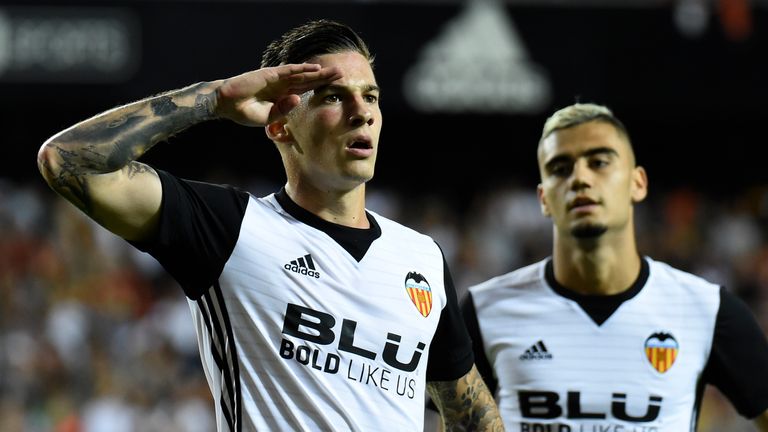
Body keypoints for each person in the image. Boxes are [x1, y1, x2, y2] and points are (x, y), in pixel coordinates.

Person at [37, 19, 503, 432]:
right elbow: (69, 162)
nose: (362, 112)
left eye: (371, 96)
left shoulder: (419, 256)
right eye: (334, 97)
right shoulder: (231, 229)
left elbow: (472, 416)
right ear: (281, 126)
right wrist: (214, 99)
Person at [461, 102, 768, 431]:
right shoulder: (484, 309)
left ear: (638, 183)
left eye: (599, 162)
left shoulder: (707, 310)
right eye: (560, 168)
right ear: (543, 199)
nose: (580, 178)